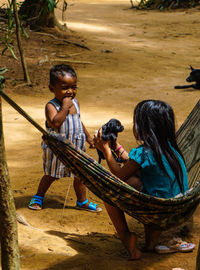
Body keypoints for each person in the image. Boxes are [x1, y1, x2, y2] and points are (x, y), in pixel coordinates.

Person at [94, 99, 189, 260]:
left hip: (155, 209)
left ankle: (126, 236)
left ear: (145, 129)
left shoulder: (144, 153)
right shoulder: (168, 148)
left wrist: (106, 151)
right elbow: (133, 164)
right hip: (176, 207)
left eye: (135, 123)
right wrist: (116, 147)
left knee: (109, 192)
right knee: (140, 180)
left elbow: (118, 176)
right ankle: (150, 244)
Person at [28, 64, 102, 213]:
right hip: (58, 149)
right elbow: (54, 123)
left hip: (76, 146)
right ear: (52, 88)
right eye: (64, 88)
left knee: (80, 176)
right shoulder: (51, 106)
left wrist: (88, 137)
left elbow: (78, 121)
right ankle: (38, 197)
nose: (70, 92)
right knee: (51, 174)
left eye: (73, 87)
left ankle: (82, 201)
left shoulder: (76, 103)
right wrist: (64, 108)